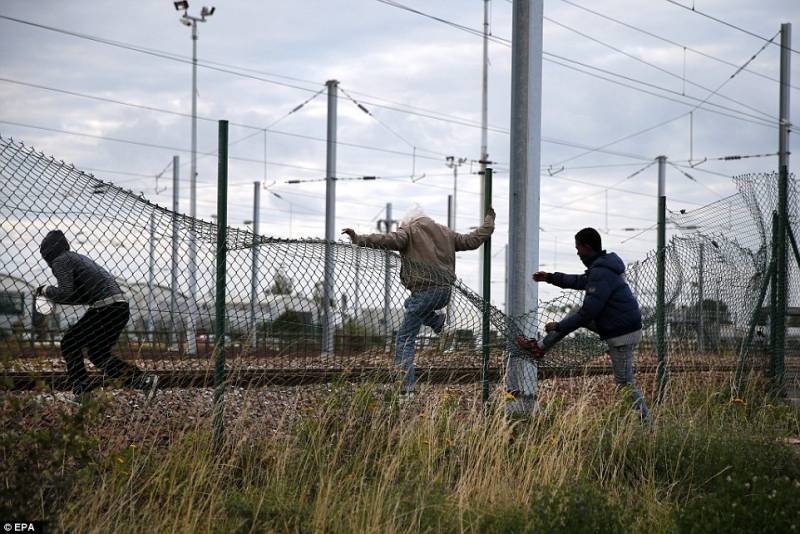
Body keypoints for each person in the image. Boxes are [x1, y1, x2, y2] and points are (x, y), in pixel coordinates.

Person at [342, 205, 495, 397]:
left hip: (424, 290)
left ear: (408, 221)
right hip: (444, 292)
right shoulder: (445, 232)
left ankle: (406, 390)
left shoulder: (409, 230)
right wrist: (489, 221)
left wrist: (359, 238)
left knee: (405, 339)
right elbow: (472, 240)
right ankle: (438, 322)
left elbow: (389, 239)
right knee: (410, 305)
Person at [516, 227, 650, 421]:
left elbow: (588, 313)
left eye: (578, 248)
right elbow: (579, 281)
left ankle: (648, 425)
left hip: (621, 332)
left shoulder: (601, 272)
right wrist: (550, 277)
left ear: (587, 247)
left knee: (625, 384)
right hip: (619, 325)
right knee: (573, 313)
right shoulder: (603, 268)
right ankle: (539, 348)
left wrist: (560, 326)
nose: (577, 252)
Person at [37, 230, 158, 401]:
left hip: (105, 307)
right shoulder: (76, 258)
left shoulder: (60, 260)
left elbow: (65, 292)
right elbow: (77, 296)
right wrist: (52, 295)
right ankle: (142, 380)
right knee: (98, 355)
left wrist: (44, 290)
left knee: (70, 343)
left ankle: (82, 392)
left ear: (47, 251)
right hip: (119, 307)